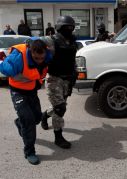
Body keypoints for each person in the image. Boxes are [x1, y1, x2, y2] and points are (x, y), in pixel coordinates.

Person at [0, 38, 52, 165]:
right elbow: (3, 67)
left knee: (37, 118)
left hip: (32, 91)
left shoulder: (48, 56)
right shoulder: (18, 58)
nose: (39, 60)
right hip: (17, 91)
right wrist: (10, 68)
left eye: (42, 58)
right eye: (36, 58)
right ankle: (29, 152)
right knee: (28, 121)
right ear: (31, 51)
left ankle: (19, 122)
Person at [40, 15, 78, 149]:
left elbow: (72, 59)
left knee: (60, 106)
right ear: (59, 27)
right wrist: (30, 42)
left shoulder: (72, 41)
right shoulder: (51, 40)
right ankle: (58, 137)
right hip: (54, 79)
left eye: (71, 27)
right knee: (60, 108)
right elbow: (37, 43)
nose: (68, 29)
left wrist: (75, 72)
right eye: (66, 27)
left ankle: (44, 115)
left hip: (68, 79)